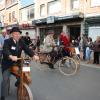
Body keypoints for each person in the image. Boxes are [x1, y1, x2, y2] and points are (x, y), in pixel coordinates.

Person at [0, 27, 35, 100]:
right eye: (15, 34)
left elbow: (27, 49)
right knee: (5, 79)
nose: (17, 35)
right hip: (7, 63)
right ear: (12, 34)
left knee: (25, 70)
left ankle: (19, 82)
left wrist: (33, 55)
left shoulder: (21, 41)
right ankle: (3, 96)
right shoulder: (7, 41)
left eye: (18, 34)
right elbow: (5, 50)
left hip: (18, 61)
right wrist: (10, 56)